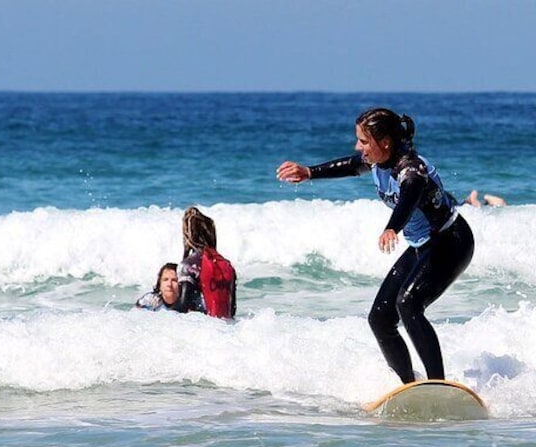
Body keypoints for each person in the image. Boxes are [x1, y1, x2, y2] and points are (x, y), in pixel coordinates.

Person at [276, 107, 474, 384]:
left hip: (450, 241)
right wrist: (309, 172)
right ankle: (410, 385)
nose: (359, 147)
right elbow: (349, 165)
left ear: (386, 143)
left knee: (409, 305)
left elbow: (411, 195)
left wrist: (393, 227)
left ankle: (438, 384)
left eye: (364, 141)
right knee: (380, 318)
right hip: (422, 244)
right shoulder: (376, 161)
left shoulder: (410, 170)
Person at [173, 207, 237, 319]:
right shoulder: (227, 265)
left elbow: (183, 305)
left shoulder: (188, 265)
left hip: (201, 329)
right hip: (226, 329)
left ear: (188, 235)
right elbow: (232, 309)